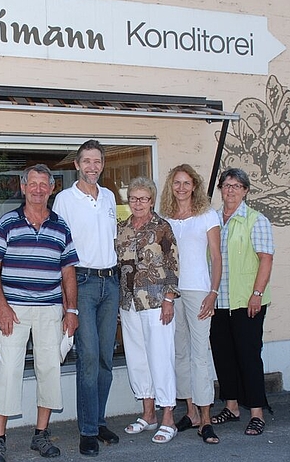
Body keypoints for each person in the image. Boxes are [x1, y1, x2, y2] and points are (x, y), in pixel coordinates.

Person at [0, 164, 80, 462]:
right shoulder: (7, 223)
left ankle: (41, 434)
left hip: (50, 309)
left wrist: (72, 310)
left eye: (44, 184)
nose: (38, 189)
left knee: (49, 369)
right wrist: (2, 306)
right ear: (23, 188)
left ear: (51, 189)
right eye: (33, 184)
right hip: (14, 309)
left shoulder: (61, 226)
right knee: (9, 370)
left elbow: (68, 272)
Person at [52, 139, 120, 456]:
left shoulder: (108, 197)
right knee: (89, 357)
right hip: (83, 282)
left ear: (102, 165)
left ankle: (99, 419)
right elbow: (59, 251)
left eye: (97, 161)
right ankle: (88, 431)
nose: (93, 166)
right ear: (77, 165)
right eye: (87, 161)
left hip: (111, 282)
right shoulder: (64, 200)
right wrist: (69, 302)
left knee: (106, 358)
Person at [209, 167, 274, 437]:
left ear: (245, 190)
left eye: (236, 186)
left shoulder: (256, 220)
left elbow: (266, 259)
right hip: (219, 301)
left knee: (248, 357)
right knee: (223, 356)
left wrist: (257, 294)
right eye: (226, 185)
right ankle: (232, 407)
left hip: (247, 301)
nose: (230, 190)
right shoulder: (213, 219)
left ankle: (257, 412)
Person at [116, 177, 180, 444]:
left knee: (161, 358)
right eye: (133, 198)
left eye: (143, 198)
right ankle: (148, 413)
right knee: (138, 359)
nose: (138, 203)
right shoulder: (122, 228)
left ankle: (168, 417)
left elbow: (173, 264)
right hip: (129, 304)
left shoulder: (163, 227)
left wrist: (169, 299)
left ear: (152, 200)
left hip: (156, 304)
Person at [161, 164, 222, 444]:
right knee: (180, 354)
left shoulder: (207, 216)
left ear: (194, 186)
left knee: (199, 354)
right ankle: (192, 411)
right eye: (177, 183)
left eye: (186, 183)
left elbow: (217, 257)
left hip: (199, 290)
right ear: (171, 187)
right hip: (173, 292)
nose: (181, 188)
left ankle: (207, 418)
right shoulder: (166, 218)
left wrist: (213, 291)